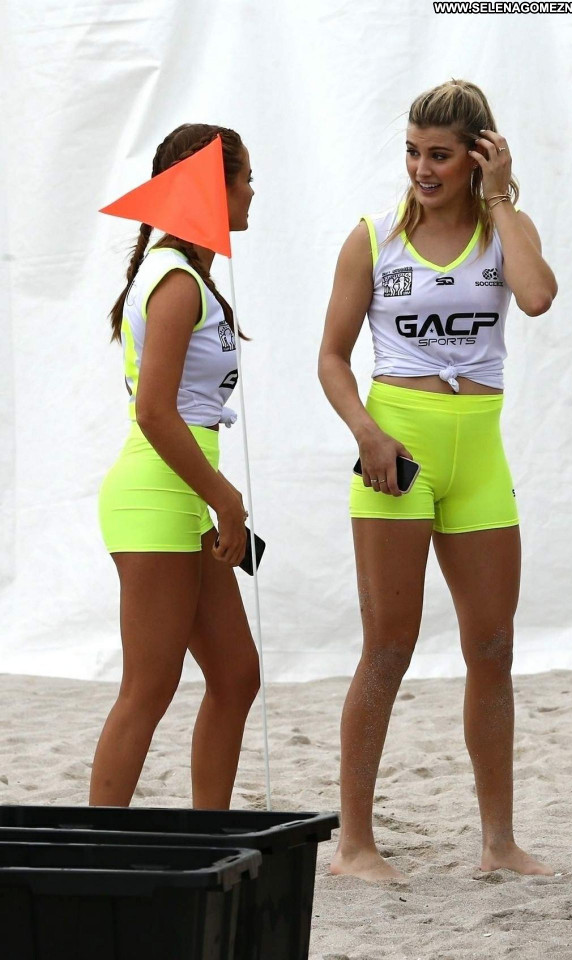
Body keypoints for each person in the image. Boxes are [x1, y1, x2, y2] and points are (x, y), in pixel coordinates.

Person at [318, 80, 558, 882]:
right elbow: (332, 358)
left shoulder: (503, 229)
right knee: (388, 648)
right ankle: (355, 845)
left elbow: (537, 296)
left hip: (479, 454)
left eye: (441, 155)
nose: (422, 169)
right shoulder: (374, 238)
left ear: (479, 156)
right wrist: (368, 433)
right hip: (397, 453)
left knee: (493, 647)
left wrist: (502, 199)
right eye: (413, 152)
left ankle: (499, 844)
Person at [90, 123, 260, 808]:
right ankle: (97, 848)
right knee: (149, 687)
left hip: (184, 493)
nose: (252, 192)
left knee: (236, 675)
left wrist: (214, 498)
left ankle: (209, 838)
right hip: (157, 496)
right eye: (245, 179)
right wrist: (226, 498)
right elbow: (154, 412)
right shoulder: (176, 281)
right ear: (212, 190)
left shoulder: (185, 275)